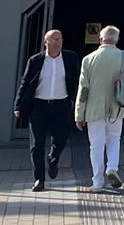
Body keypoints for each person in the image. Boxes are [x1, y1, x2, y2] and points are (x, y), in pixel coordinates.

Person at [14, 28, 80, 192]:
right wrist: (18, 105)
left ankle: (53, 159)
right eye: (54, 39)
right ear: (46, 43)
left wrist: (74, 99)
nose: (57, 42)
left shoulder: (70, 58)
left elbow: (77, 80)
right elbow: (25, 82)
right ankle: (39, 179)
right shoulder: (36, 60)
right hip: (39, 105)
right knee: (37, 144)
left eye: (60, 39)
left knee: (62, 138)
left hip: (61, 104)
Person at [75, 26, 124, 191]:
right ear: (116, 39)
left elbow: (83, 89)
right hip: (117, 107)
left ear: (100, 40)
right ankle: (112, 168)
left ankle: (97, 181)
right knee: (115, 139)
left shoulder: (88, 59)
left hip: (94, 109)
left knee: (96, 144)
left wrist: (79, 114)